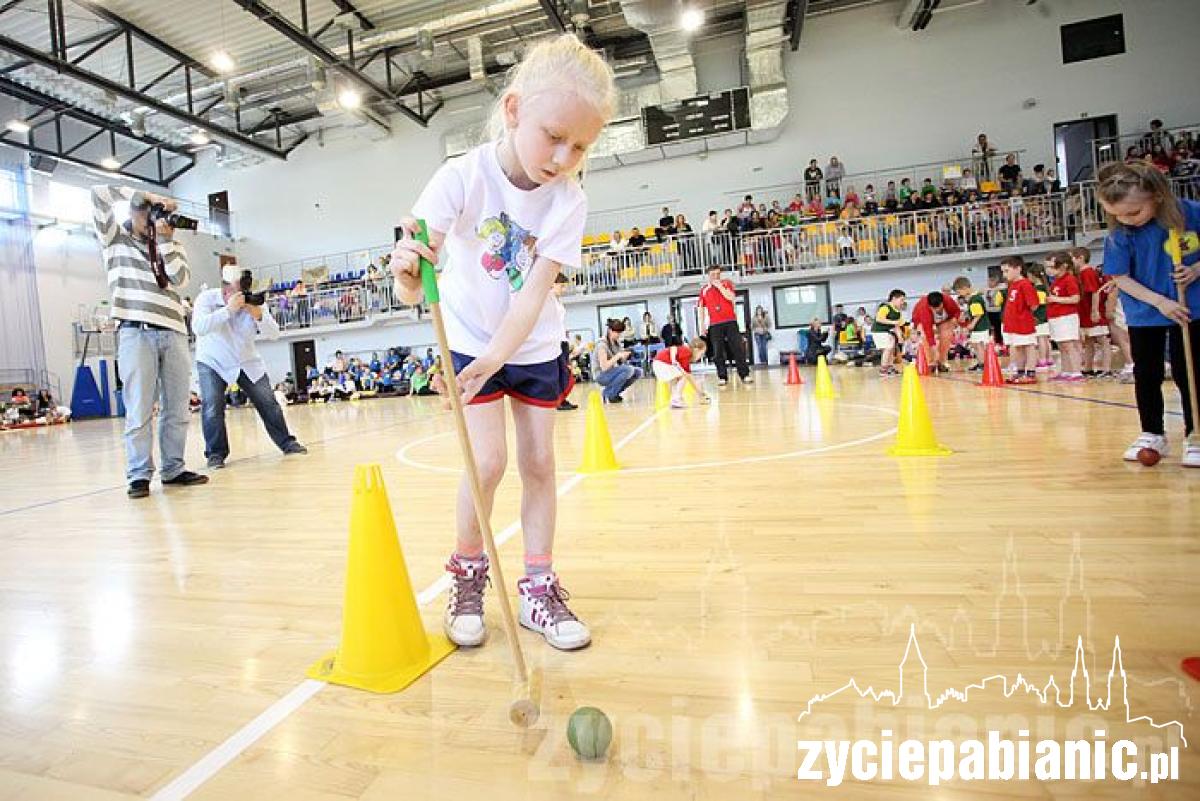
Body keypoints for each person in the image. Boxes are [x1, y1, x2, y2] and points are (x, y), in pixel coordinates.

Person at [388, 34, 613, 650]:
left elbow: (535, 292)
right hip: (467, 339)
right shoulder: (460, 178)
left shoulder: (570, 200)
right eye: (554, 135)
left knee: (539, 464)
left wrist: (497, 360)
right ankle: (469, 574)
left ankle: (537, 587)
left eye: (580, 146)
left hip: (531, 344)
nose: (564, 156)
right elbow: (414, 284)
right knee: (486, 463)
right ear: (514, 111)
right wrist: (407, 267)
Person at [91, 183, 208, 499]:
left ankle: (173, 469)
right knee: (140, 407)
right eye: (146, 213)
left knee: (177, 408)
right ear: (132, 211)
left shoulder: (169, 243)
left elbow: (180, 280)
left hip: (173, 332)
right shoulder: (114, 239)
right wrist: (145, 196)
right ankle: (139, 474)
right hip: (135, 331)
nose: (153, 219)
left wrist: (167, 239)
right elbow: (98, 194)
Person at [1097, 161, 1200, 467]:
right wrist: (1159, 302)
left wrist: (1195, 269)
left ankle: (1195, 433)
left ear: (1156, 196)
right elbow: (1119, 276)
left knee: (1188, 372)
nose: (1126, 220)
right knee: (1147, 372)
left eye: (1133, 212)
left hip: (1190, 307)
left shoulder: (1190, 213)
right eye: (1117, 215)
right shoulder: (1120, 233)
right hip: (1145, 309)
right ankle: (1152, 431)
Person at [193, 266, 307, 469]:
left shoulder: (254, 302)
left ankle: (287, 442)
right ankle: (215, 454)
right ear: (226, 289)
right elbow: (199, 328)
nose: (241, 293)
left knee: (268, 402)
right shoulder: (206, 299)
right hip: (213, 361)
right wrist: (228, 310)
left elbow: (274, 334)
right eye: (237, 288)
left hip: (246, 361)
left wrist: (258, 315)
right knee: (212, 406)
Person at [698, 265, 751, 386]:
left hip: (730, 321)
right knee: (717, 352)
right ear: (708, 276)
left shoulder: (727, 284)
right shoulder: (704, 290)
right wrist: (702, 326)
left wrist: (720, 287)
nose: (716, 276)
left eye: (718, 274)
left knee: (738, 348)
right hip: (715, 325)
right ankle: (722, 376)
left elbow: (731, 297)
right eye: (713, 275)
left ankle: (744, 374)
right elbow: (700, 309)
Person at [1072, 246, 1113, 378]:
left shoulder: (1088, 273)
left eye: (1072, 258)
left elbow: (1095, 292)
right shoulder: (1080, 274)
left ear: (1081, 258)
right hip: (1084, 312)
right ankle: (1088, 368)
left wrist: (1095, 310)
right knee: (1089, 341)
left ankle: (1106, 369)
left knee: (1103, 340)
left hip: (1092, 312)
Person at [1043, 251, 1084, 382]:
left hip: (1066, 317)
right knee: (1061, 346)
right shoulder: (1057, 281)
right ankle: (1067, 371)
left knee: (1069, 345)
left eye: (1052, 266)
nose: (1049, 270)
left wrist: (1056, 299)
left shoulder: (1069, 279)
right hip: (1056, 317)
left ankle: (1076, 371)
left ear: (1063, 266)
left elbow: (1075, 298)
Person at [1001, 255, 1040, 384]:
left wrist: (1023, 315)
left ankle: (1031, 373)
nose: (1004, 274)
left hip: (1023, 323)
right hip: (1013, 324)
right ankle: (1020, 372)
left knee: (1029, 347)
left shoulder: (1025, 284)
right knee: (1018, 348)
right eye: (1003, 271)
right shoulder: (1013, 285)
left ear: (1018, 269)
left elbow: (1033, 305)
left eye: (1007, 271)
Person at [909, 290, 961, 373]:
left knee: (947, 334)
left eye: (939, 307)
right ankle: (930, 362)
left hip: (944, 320)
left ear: (942, 303)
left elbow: (957, 311)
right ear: (930, 306)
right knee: (925, 336)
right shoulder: (923, 308)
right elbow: (928, 332)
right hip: (921, 320)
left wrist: (955, 318)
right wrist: (934, 350)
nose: (937, 310)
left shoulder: (948, 300)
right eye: (934, 308)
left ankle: (942, 361)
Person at [593, 318, 641, 403]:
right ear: (610, 331)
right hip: (601, 375)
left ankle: (614, 393)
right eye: (617, 332)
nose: (619, 335)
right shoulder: (602, 345)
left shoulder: (616, 343)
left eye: (620, 333)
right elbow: (604, 367)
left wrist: (625, 355)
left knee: (637, 372)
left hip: (611, 372)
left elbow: (620, 362)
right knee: (628, 370)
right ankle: (608, 393)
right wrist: (618, 356)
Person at [652, 338, 710, 409]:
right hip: (662, 364)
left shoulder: (685, 355)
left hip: (658, 364)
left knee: (678, 377)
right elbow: (689, 377)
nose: (701, 357)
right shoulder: (687, 351)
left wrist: (700, 393)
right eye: (701, 354)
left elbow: (689, 377)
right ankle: (676, 399)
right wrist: (700, 392)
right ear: (696, 350)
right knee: (684, 376)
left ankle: (675, 398)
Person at [552, 273, 578, 411]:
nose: (564, 289)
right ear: (553, 284)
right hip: (555, 340)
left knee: (565, 371)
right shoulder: (548, 301)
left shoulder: (558, 301)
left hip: (562, 340)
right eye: (561, 286)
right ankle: (558, 400)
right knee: (560, 371)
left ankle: (562, 398)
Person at [953, 277, 990, 371]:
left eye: (959, 292)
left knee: (979, 345)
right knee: (975, 344)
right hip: (977, 326)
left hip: (981, 326)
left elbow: (978, 314)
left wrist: (972, 324)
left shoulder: (975, 299)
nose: (959, 295)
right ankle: (980, 362)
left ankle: (983, 364)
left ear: (964, 288)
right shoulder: (972, 298)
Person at [872, 290, 907, 377]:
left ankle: (890, 368)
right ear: (894, 298)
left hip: (888, 332)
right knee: (887, 349)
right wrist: (893, 322)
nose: (903, 302)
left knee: (891, 350)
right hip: (879, 331)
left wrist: (900, 337)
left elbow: (897, 325)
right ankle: (883, 370)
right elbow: (879, 319)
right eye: (901, 300)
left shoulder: (898, 312)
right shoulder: (885, 307)